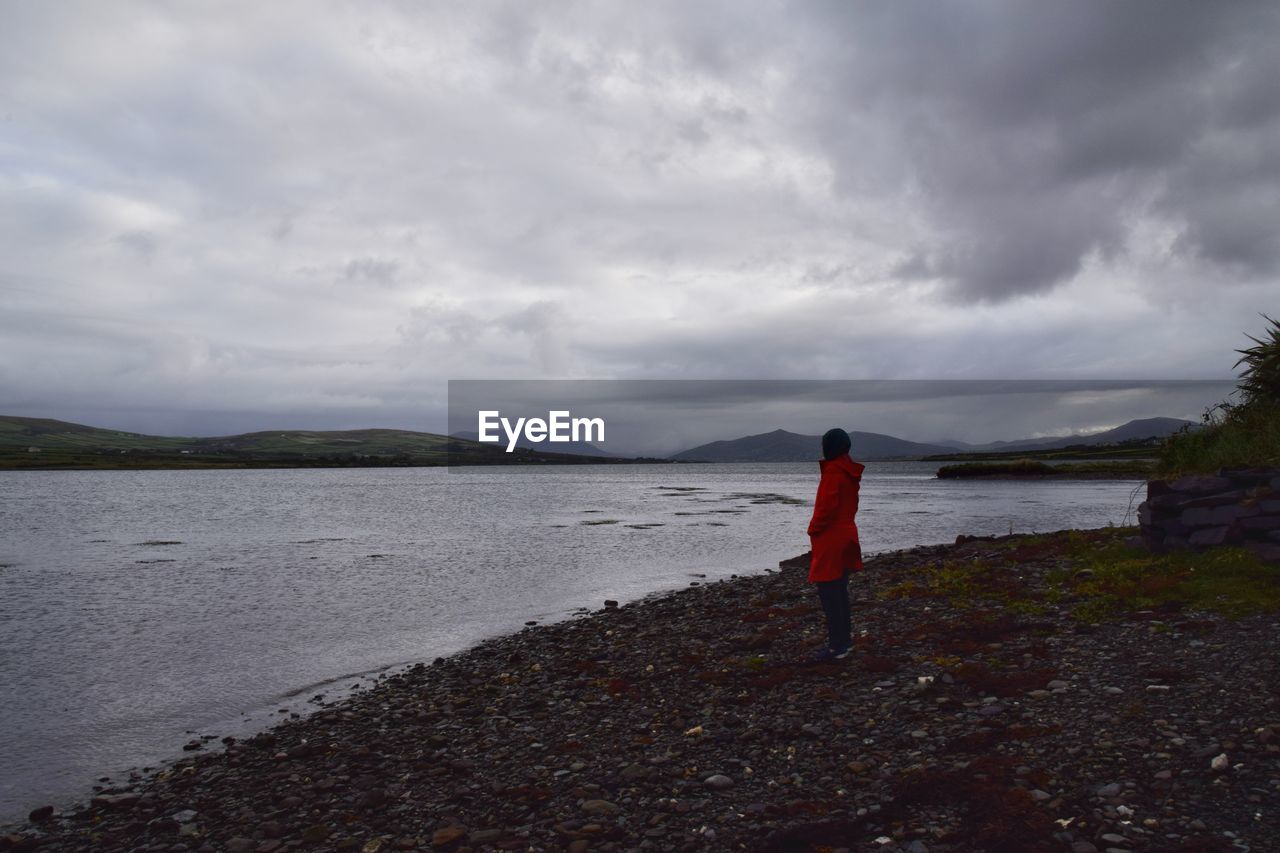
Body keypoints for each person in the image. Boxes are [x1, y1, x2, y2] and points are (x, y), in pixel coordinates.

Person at [806, 428, 865, 661]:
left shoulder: (833, 472)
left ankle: (837, 646)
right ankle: (844, 642)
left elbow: (826, 508)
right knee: (839, 590)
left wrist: (813, 529)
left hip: (831, 538)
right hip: (847, 534)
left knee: (830, 592)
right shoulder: (848, 471)